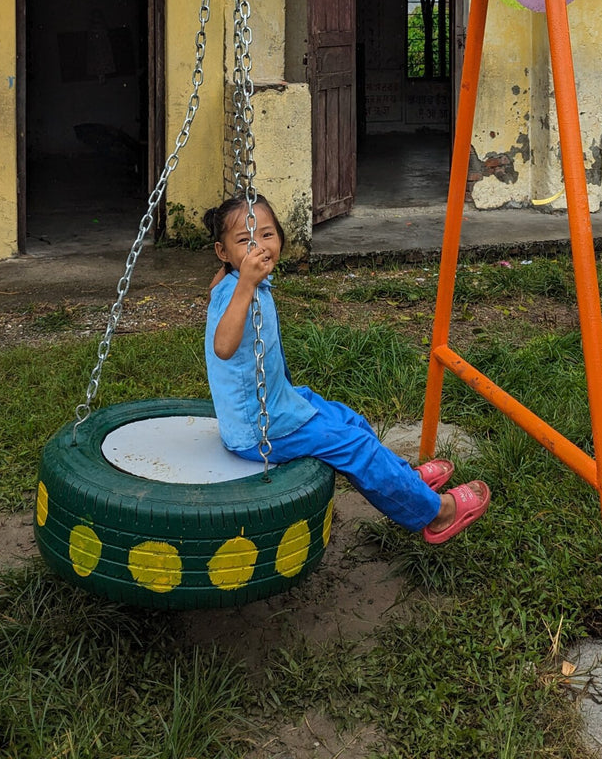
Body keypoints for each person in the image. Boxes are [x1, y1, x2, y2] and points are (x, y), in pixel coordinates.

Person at [203, 195, 490, 543]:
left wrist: (239, 274)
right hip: (260, 429)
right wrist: (245, 284)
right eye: (245, 241)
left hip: (280, 402)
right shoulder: (239, 289)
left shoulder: (232, 277)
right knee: (356, 447)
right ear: (223, 252)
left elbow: (219, 282)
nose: (258, 248)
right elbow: (223, 346)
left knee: (349, 420)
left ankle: (407, 481)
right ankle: (435, 513)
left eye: (266, 235)